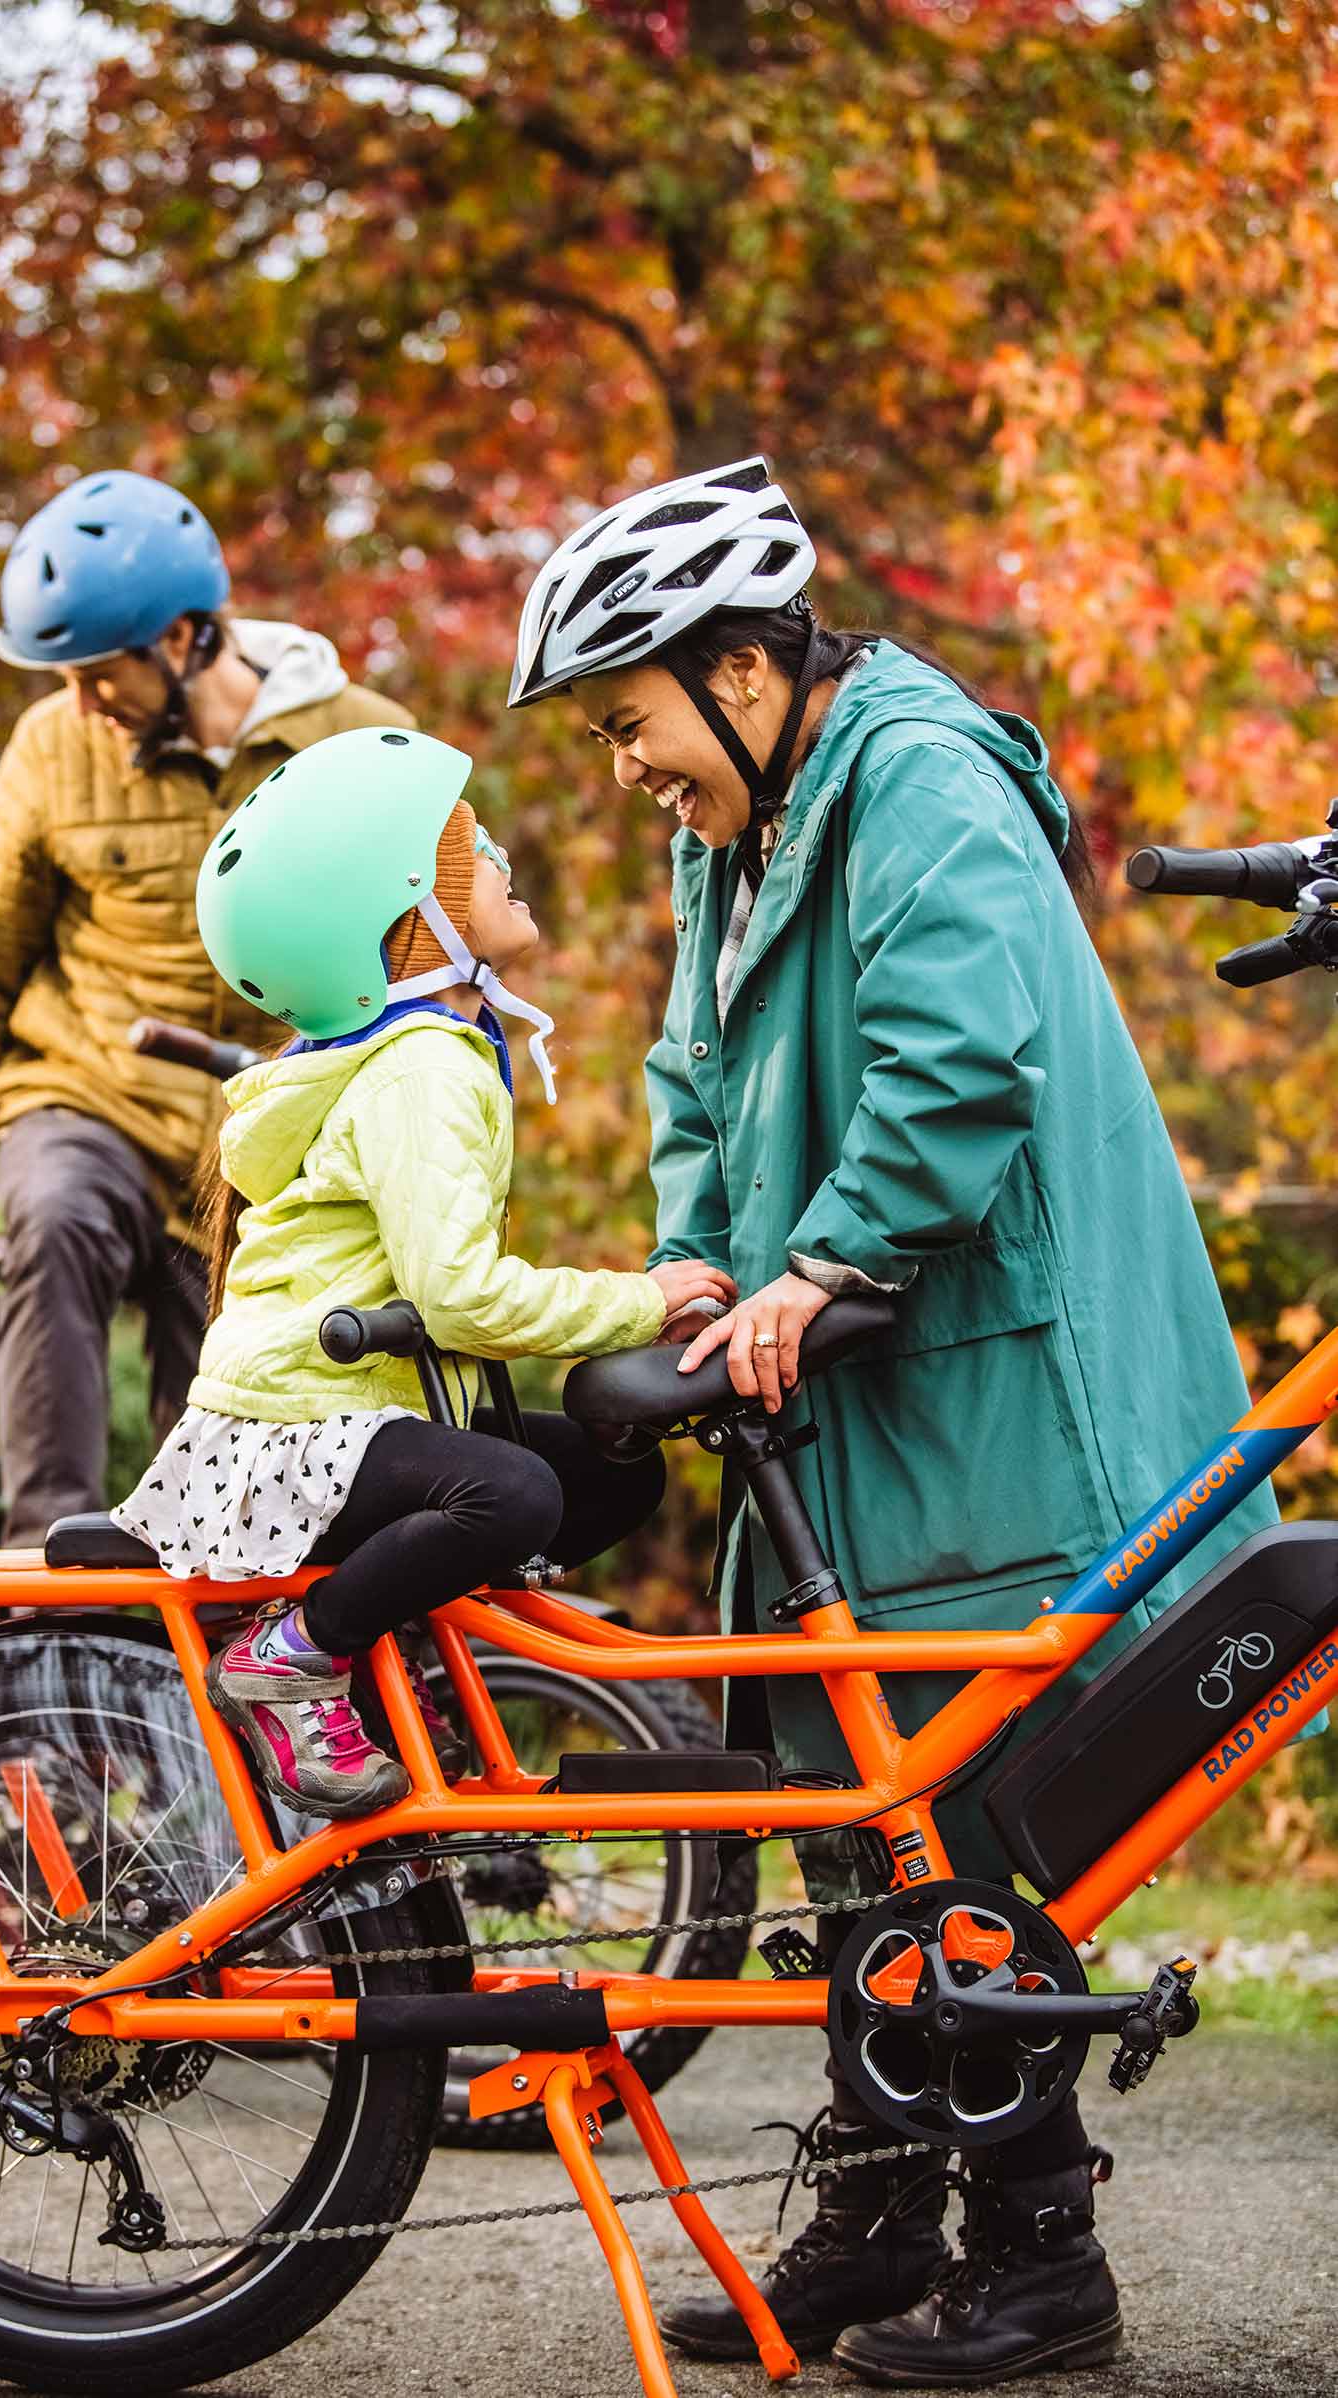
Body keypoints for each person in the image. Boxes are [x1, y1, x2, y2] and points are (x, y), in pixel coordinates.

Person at [508, 456, 1278, 2383]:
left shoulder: (917, 778)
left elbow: (954, 1059)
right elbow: (689, 1073)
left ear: (745, 674)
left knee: (962, 1823)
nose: (623, 768)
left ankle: (1037, 2266)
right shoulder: (735, 831)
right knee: (854, 1813)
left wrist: (824, 1259)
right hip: (841, 1378)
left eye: (630, 721)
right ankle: (873, 2219)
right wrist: (700, 1263)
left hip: (985, 1374)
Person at [109, 723, 734, 1817]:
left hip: (341, 1410)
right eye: (470, 850)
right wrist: (640, 1299)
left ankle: (401, 1649)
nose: (499, 859)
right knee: (515, 1490)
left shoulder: (414, 1055)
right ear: (414, 918)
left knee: (612, 1471)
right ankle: (295, 1655)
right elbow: (458, 1296)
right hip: (295, 1426)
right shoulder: (420, 1070)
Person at [0, 469, 413, 1545]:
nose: (80, 705)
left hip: (259, 1141)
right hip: (85, 1091)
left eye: (99, 675)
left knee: (231, 1389)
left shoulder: (356, 737)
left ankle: (187, 1618)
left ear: (189, 637)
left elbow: (422, 956)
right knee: (56, 1215)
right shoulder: (54, 748)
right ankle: (40, 1565)